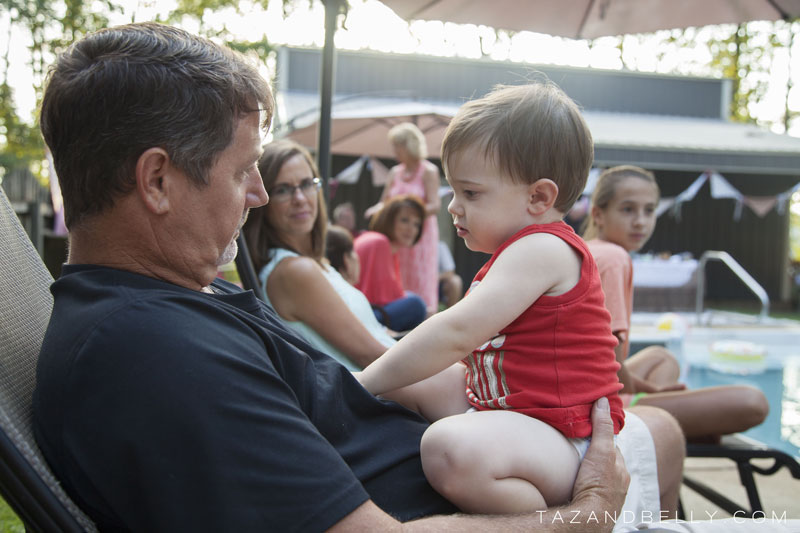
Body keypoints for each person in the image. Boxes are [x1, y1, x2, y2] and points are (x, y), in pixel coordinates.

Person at [32, 21, 749, 533]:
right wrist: (582, 516)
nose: (257, 196)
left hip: (489, 463)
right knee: (663, 434)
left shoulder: (182, 299)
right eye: (244, 170)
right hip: (523, 504)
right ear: (157, 180)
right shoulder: (151, 354)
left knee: (656, 429)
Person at [357, 82, 632, 514]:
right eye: (453, 190)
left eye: (470, 193)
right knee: (410, 379)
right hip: (515, 415)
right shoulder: (518, 251)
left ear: (539, 197)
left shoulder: (544, 249)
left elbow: (457, 332)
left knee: (449, 449)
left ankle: (541, 519)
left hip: (565, 440)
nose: (452, 206)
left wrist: (357, 384)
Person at [583, 165, 769, 441]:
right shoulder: (612, 257)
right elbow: (608, 348)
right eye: (627, 210)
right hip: (595, 403)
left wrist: (649, 390)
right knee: (753, 402)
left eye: (649, 210)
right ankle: (652, 425)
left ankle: (660, 419)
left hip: (592, 386)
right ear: (598, 214)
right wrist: (643, 392)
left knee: (662, 357)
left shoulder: (592, 249)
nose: (640, 221)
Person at [242, 139, 395, 370]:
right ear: (264, 201)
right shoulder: (294, 270)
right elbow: (372, 357)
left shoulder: (311, 262)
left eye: (306, 184)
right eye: (283, 190)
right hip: (387, 394)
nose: (300, 199)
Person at [365, 122, 441, 314]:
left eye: (397, 146)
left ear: (409, 146)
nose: (394, 151)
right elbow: (385, 202)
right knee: (397, 278)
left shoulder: (428, 171)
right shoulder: (394, 172)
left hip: (419, 237)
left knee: (421, 279)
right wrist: (375, 210)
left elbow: (435, 205)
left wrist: (408, 213)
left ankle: (424, 319)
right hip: (396, 237)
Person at [354, 195, 428, 331]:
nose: (411, 229)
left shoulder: (382, 243)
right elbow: (384, 298)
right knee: (416, 304)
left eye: (416, 224)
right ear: (388, 220)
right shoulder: (379, 243)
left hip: (362, 312)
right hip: (360, 318)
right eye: (404, 220)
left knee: (412, 298)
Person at [438, 240, 463, 309]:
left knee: (455, 281)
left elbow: (450, 271)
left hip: (437, 284)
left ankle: (451, 311)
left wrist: (435, 278)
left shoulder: (440, 246)